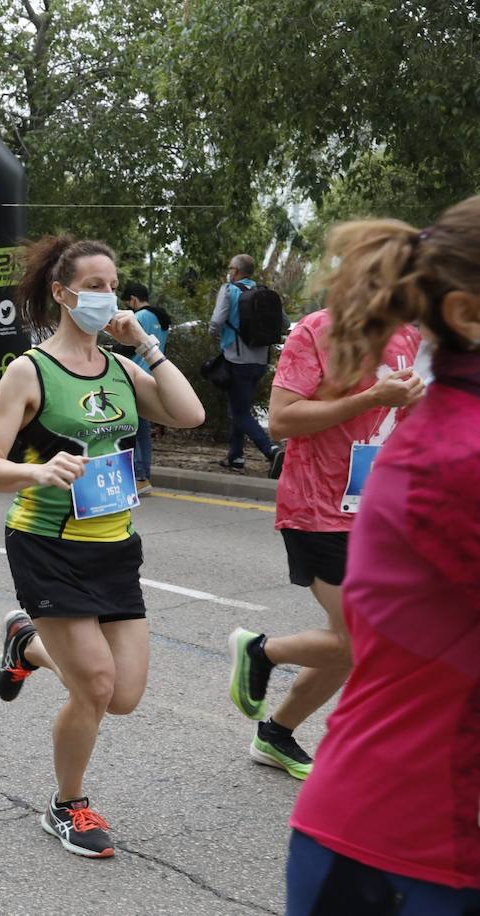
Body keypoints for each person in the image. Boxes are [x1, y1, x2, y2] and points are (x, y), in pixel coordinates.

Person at [0, 235, 203, 858]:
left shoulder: (126, 370)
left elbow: (191, 415)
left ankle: (26, 642)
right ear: (61, 293)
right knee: (96, 685)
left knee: (123, 695)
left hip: (114, 545)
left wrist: (147, 346)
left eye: (111, 285)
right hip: (47, 544)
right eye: (94, 286)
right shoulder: (30, 370)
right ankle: (66, 803)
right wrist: (37, 472)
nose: (106, 296)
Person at [284, 197, 480, 915]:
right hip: (400, 856)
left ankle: (267, 678)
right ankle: (268, 679)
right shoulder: (460, 454)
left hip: (415, 834)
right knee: (346, 640)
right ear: (465, 314)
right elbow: (281, 417)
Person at [227, 301, 421, 780]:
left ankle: (276, 734)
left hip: (380, 509)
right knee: (365, 638)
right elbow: (282, 421)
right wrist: (371, 397)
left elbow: (403, 425)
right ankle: (261, 652)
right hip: (318, 508)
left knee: (349, 639)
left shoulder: (409, 336)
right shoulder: (318, 330)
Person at [209, 254, 284, 473]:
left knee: (239, 413)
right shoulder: (265, 292)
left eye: (230, 268)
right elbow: (284, 322)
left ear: (235, 270)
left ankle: (271, 449)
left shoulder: (229, 290)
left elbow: (216, 321)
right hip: (260, 361)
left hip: (236, 359)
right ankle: (236, 456)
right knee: (239, 407)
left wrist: (213, 333)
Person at [122, 283, 170, 493]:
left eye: (127, 303)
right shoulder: (162, 318)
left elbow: (125, 346)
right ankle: (144, 477)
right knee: (143, 432)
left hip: (135, 376)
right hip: (154, 375)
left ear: (133, 299)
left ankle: (139, 476)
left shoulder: (139, 317)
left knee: (132, 430)